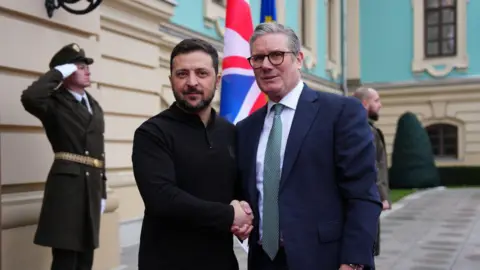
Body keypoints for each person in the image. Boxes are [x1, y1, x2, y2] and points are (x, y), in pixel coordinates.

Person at [236, 22, 382, 270]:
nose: (266, 65)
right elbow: (248, 193)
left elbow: (363, 194)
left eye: (276, 55)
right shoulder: (246, 128)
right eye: (258, 58)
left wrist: (354, 261)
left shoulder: (341, 112)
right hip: (263, 261)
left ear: (299, 59)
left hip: (325, 260)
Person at [131, 38, 253, 270]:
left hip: (222, 262)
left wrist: (245, 215)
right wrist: (230, 215)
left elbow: (238, 190)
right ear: (171, 80)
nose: (192, 82)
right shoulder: (152, 133)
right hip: (167, 262)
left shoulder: (230, 132)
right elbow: (162, 199)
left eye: (201, 73)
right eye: (182, 74)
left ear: (217, 81)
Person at [20, 43, 107, 270]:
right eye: (80, 66)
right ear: (67, 71)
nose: (87, 70)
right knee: (66, 257)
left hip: (92, 187)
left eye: (86, 66)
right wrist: (58, 73)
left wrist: (103, 190)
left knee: (86, 256)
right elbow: (30, 97)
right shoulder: (54, 102)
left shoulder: (94, 105)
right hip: (67, 188)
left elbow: (100, 150)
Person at [353, 87, 391, 257]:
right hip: (368, 199)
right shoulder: (365, 130)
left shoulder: (363, 127)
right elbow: (372, 166)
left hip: (365, 198)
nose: (380, 105)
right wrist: (382, 196)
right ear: (364, 104)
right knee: (366, 250)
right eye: (376, 101)